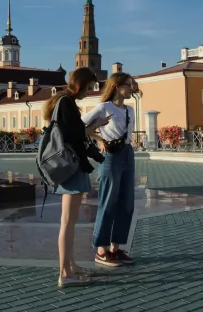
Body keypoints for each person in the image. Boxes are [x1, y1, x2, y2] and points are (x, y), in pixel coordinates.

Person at [43, 67, 111, 288]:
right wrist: (97, 125)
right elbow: (74, 135)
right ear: (80, 83)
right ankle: (65, 274)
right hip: (71, 168)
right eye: (89, 87)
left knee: (68, 222)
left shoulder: (65, 102)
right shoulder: (66, 103)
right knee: (67, 223)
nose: (90, 91)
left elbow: (76, 133)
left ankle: (70, 266)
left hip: (73, 167)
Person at [82, 72, 137, 267]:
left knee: (126, 203)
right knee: (108, 201)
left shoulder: (130, 109)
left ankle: (116, 248)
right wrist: (99, 139)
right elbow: (80, 126)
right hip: (111, 156)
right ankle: (101, 249)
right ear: (116, 86)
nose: (132, 88)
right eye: (128, 85)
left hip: (128, 154)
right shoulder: (103, 107)